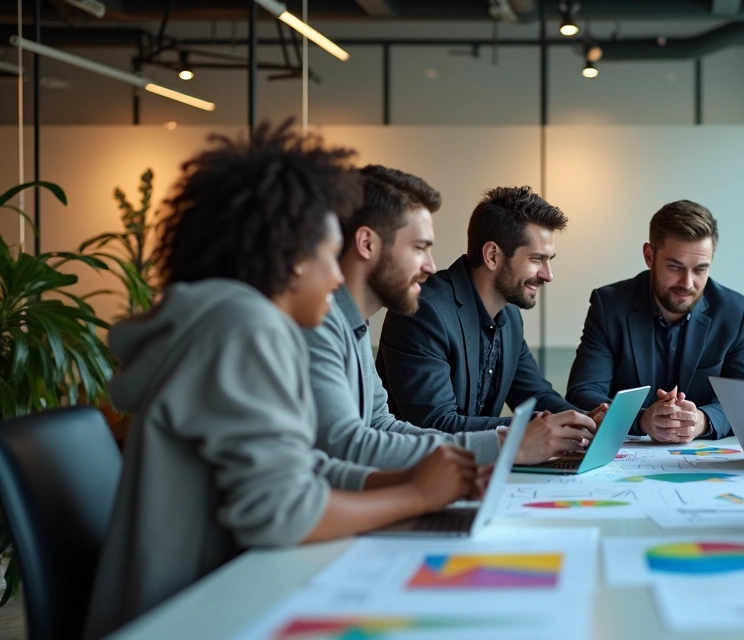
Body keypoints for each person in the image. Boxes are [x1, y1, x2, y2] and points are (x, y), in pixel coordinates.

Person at [84, 124, 479, 639]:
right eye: (327, 255)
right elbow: (281, 512)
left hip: (209, 597)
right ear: (293, 257)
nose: (338, 278)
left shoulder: (232, 321)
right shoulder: (247, 327)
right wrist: (418, 499)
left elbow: (300, 468)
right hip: (190, 617)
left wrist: (419, 479)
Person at [307, 167, 606, 468]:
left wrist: (577, 424)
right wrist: (514, 441)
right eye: (419, 248)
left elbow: (380, 426)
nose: (429, 266)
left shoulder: (354, 325)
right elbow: (417, 427)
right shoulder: (415, 312)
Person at [377, 185, 599, 444]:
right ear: (492, 255)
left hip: (477, 470)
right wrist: (538, 427)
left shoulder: (511, 316)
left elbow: (535, 395)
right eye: (537, 259)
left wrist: (588, 419)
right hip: (417, 473)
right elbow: (435, 424)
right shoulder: (423, 311)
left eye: (549, 260)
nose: (548, 275)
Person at [565, 200, 744, 442]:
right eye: (675, 267)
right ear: (649, 256)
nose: (687, 283)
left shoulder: (734, 312)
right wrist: (640, 419)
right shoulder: (609, 306)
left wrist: (702, 421)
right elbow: (582, 393)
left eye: (700, 269)